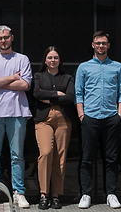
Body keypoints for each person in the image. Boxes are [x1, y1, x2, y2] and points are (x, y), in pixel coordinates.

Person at [0, 25, 32, 208]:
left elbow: (25, 85)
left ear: (12, 38)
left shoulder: (22, 59)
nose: (3, 40)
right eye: (0, 38)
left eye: (6, 37)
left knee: (17, 156)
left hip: (17, 112)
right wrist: (12, 78)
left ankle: (19, 192)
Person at [75, 31, 121, 209]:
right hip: (90, 117)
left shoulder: (117, 67)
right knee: (87, 158)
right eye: (98, 43)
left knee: (111, 158)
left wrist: (119, 115)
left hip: (111, 117)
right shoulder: (83, 67)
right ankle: (86, 194)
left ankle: (111, 194)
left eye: (104, 43)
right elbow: (78, 93)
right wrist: (82, 115)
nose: (101, 46)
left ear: (108, 45)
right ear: (92, 45)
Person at [33, 46, 75, 209]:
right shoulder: (38, 76)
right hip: (44, 119)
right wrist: (58, 95)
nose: (53, 60)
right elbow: (36, 93)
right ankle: (44, 194)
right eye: (50, 57)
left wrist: (49, 98)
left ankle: (56, 195)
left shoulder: (67, 77)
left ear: (60, 60)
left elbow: (71, 97)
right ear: (45, 60)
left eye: (56, 57)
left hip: (63, 119)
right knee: (45, 153)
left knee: (60, 156)